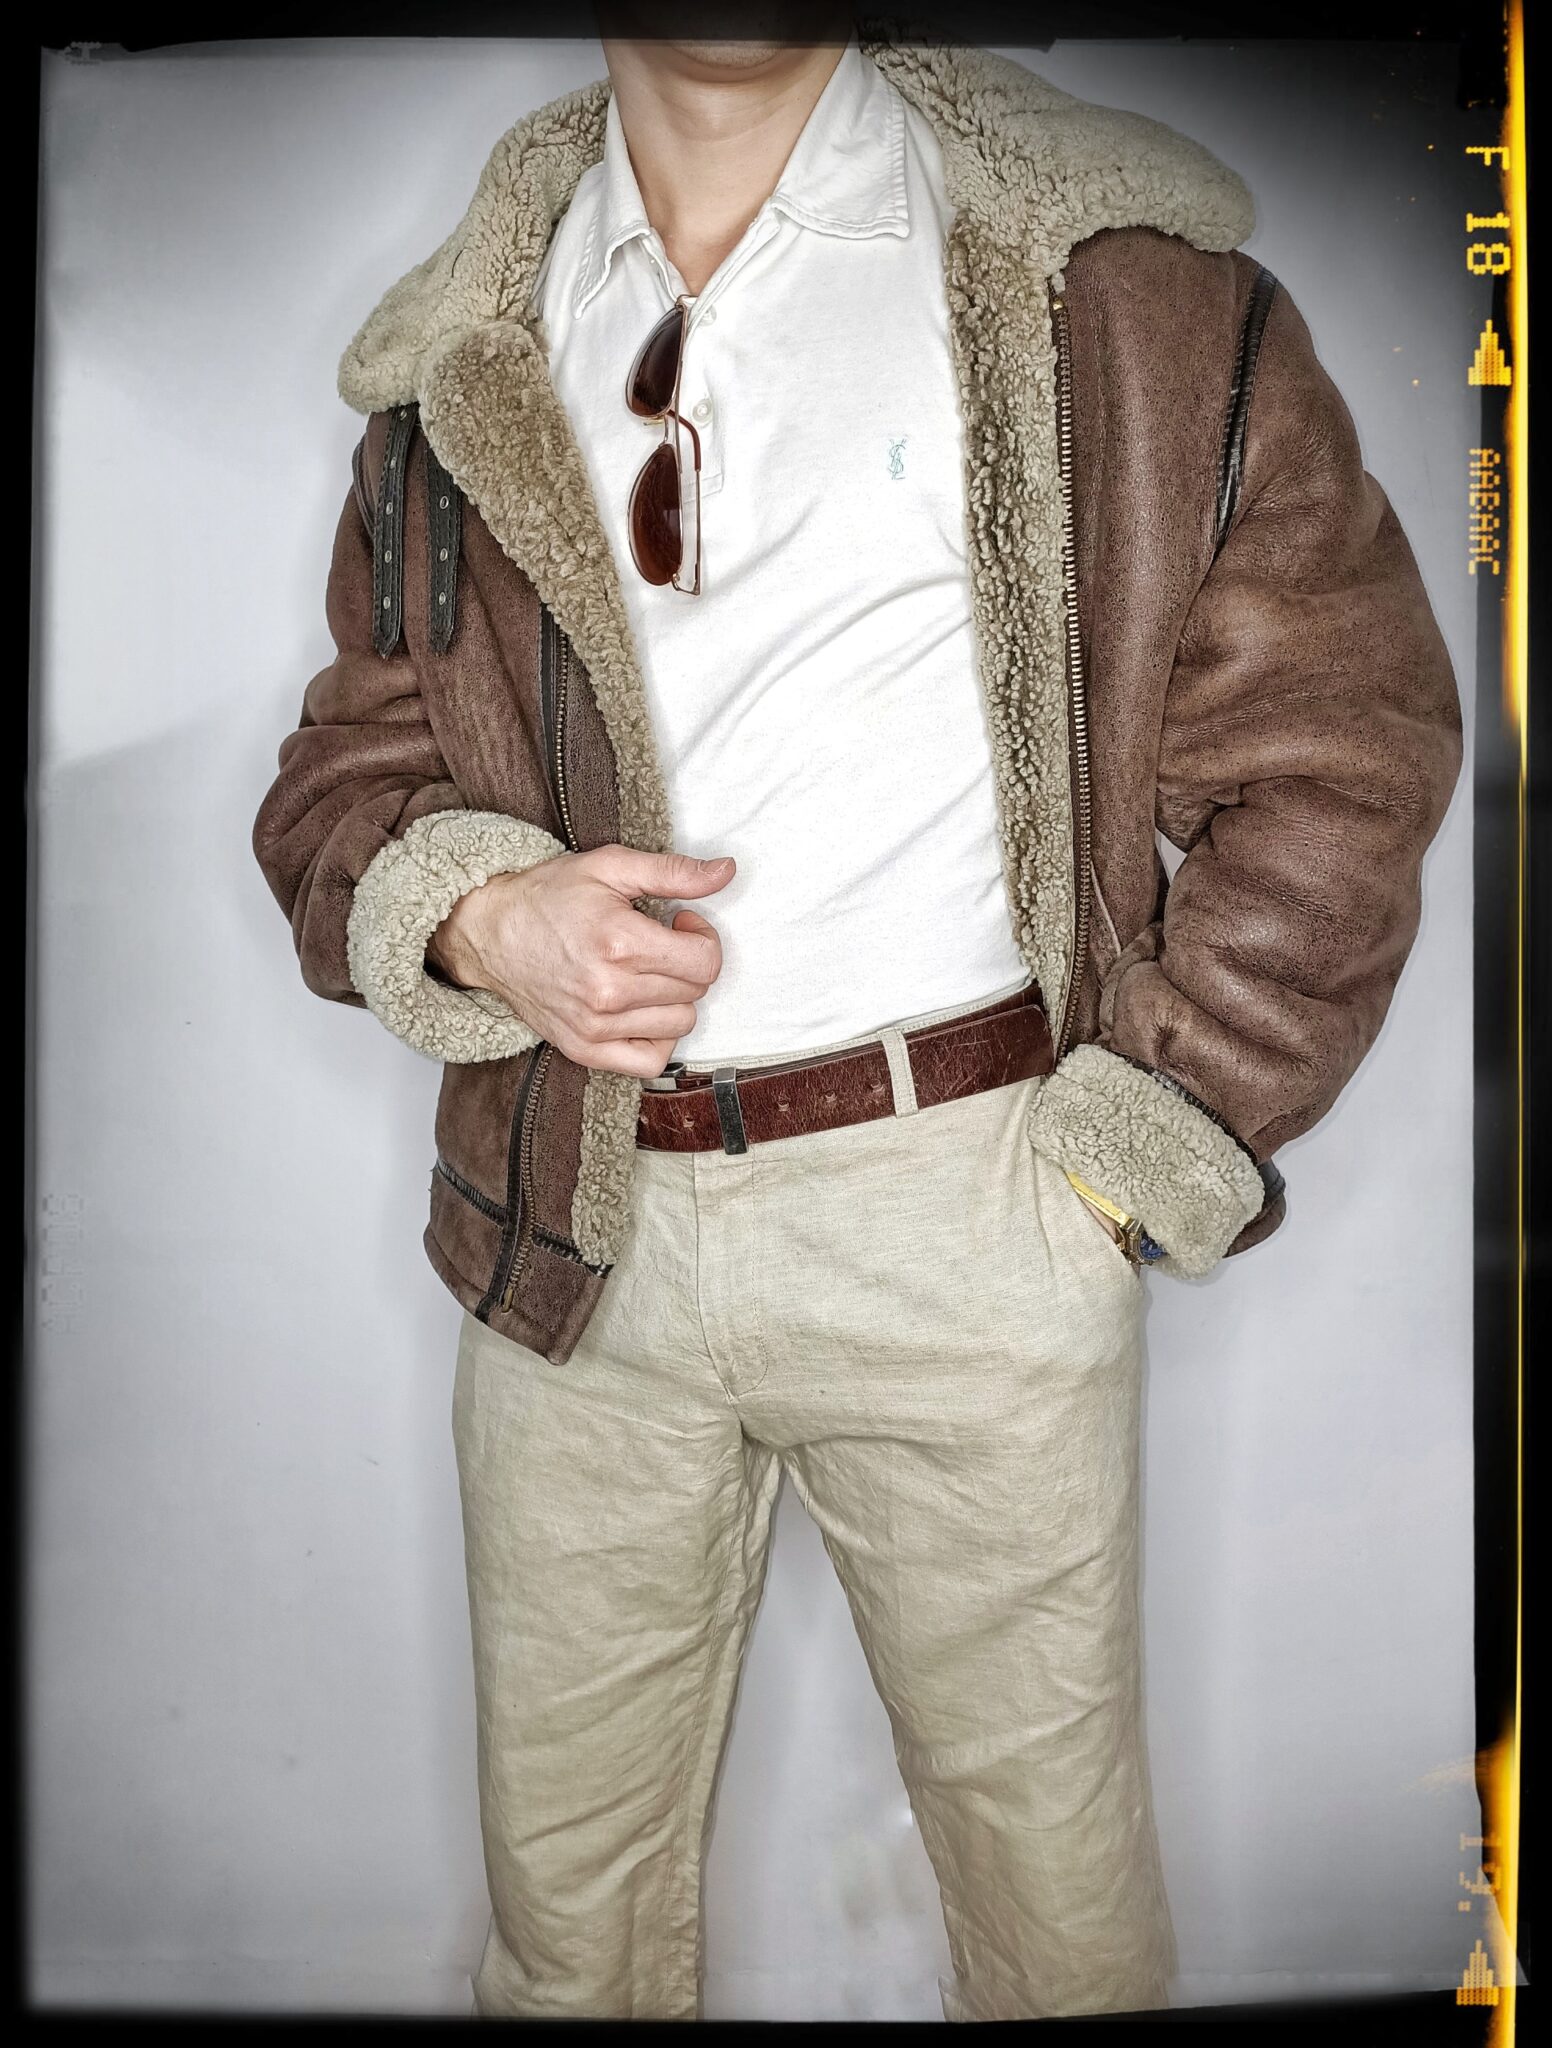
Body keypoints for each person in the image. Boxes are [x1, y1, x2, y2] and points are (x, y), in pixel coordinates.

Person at [252, 14, 1462, 2023]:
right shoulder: (461, 347)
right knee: (565, 1936)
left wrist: (1138, 1145)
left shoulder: (1122, 290)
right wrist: (478, 916)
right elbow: (341, 778)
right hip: (574, 1236)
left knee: (1056, 1936)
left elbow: (1344, 745)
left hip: (970, 1216)